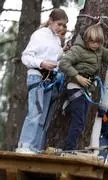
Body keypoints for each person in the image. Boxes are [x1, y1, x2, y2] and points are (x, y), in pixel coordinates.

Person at [59, 24, 108, 151]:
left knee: (81, 124)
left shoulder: (99, 51)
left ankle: (70, 148)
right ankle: (68, 149)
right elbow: (64, 63)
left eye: (98, 42)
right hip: (75, 86)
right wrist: (77, 77)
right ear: (87, 39)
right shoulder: (78, 49)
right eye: (92, 42)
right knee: (79, 121)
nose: (95, 45)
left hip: (88, 90)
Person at [16, 8, 68, 154]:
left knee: (43, 116)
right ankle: (24, 145)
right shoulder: (39, 35)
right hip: (37, 76)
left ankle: (35, 147)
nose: (61, 28)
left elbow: (55, 59)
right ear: (50, 20)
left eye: (64, 25)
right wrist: (42, 63)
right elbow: (25, 57)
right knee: (35, 112)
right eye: (59, 24)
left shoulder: (56, 39)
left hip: (50, 79)